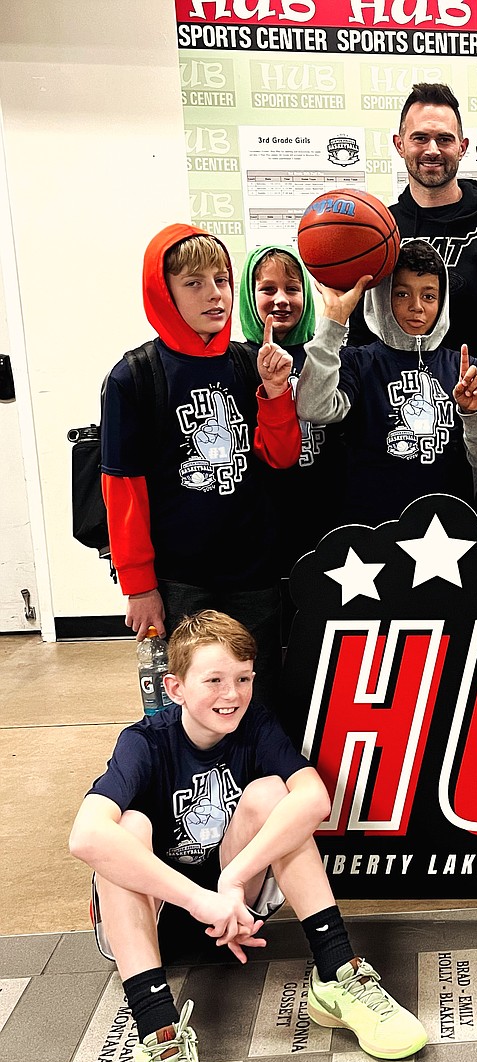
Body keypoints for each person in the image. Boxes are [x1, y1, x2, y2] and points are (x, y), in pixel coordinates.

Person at [69, 610, 427, 1062]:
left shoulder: (254, 724)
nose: (232, 694)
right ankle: (159, 1039)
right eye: (213, 680)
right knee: (128, 826)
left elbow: (314, 801)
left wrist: (231, 880)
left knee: (274, 797)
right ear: (174, 688)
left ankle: (337, 975)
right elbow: (84, 837)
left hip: (234, 909)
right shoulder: (144, 742)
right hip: (158, 923)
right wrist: (200, 900)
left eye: (242, 679)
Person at [101, 224, 300, 707]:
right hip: (178, 582)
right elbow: (123, 490)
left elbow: (281, 456)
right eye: (193, 283)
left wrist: (275, 395)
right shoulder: (135, 376)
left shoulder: (249, 361)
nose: (215, 295)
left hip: (254, 574)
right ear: (163, 292)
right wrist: (140, 586)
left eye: (221, 280)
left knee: (255, 702)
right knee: (187, 708)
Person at [346, 83, 477, 410]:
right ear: (400, 145)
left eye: (445, 139)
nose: (433, 150)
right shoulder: (380, 234)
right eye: (420, 138)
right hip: (394, 424)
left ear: (463, 147)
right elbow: (361, 336)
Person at [294, 239, 477, 526]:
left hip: (448, 528)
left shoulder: (462, 367)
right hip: (372, 528)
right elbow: (312, 408)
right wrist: (334, 321)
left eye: (429, 296)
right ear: (383, 297)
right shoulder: (357, 361)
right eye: (402, 294)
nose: (416, 307)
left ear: (442, 302)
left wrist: (474, 413)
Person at [238, 245, 340, 572]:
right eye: (268, 289)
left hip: (323, 516)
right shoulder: (237, 359)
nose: (281, 299)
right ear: (248, 296)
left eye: (292, 289)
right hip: (262, 522)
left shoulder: (324, 356)